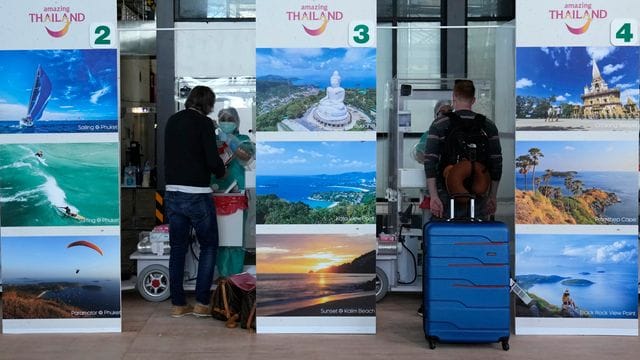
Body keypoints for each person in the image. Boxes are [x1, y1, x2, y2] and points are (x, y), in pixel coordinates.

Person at [164, 85, 226, 318]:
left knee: (178, 248)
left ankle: (178, 304)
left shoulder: (172, 120)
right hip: (197, 194)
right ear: (208, 105)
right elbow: (212, 160)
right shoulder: (204, 124)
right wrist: (221, 170)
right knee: (209, 246)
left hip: (172, 192)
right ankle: (201, 303)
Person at [423, 79, 503, 220]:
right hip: (479, 195)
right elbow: (496, 164)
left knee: (446, 237)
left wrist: (434, 196)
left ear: (454, 97)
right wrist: (492, 196)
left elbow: (430, 162)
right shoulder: (488, 126)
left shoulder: (439, 124)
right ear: (473, 100)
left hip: (446, 196)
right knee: (476, 238)